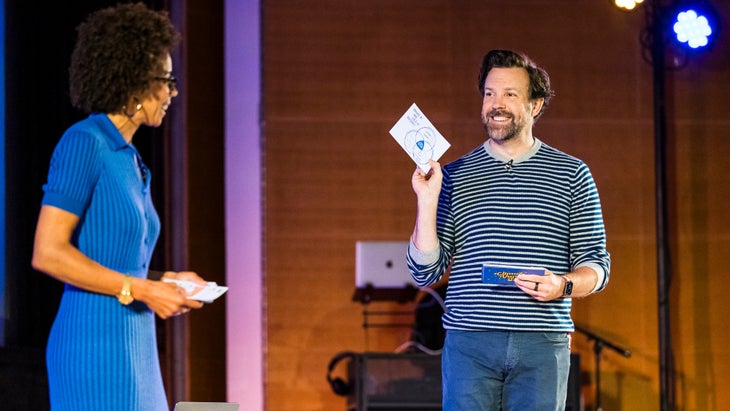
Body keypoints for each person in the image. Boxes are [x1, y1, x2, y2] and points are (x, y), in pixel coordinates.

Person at [406, 49, 611, 410]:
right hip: (470, 343)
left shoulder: (572, 174)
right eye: (489, 94)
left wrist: (562, 285)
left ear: (536, 104)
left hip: (542, 344)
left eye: (509, 95)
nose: (496, 104)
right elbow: (425, 272)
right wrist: (426, 199)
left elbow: (597, 266)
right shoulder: (453, 175)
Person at [31, 3, 208, 410]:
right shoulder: (84, 142)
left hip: (136, 341)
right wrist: (144, 288)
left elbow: (115, 260)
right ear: (135, 82)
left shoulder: (129, 158)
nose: (172, 92)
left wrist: (167, 280)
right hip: (92, 341)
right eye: (167, 80)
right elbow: (48, 252)